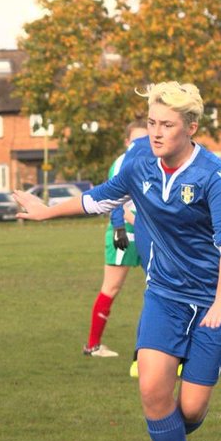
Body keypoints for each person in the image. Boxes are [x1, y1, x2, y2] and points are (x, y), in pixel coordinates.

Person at [13, 81, 221, 441]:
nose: (156, 133)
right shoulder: (140, 160)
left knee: (190, 409)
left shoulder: (214, 175)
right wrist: (48, 211)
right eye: (152, 122)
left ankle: (174, 439)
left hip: (215, 299)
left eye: (167, 125)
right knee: (153, 388)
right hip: (165, 294)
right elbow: (100, 199)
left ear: (191, 127)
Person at [83, 121, 149, 359]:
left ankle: (149, 349)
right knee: (111, 287)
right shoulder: (121, 162)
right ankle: (92, 346)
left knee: (158, 289)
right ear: (126, 142)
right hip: (125, 233)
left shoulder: (156, 159)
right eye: (136, 140)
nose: (142, 144)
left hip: (149, 233)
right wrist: (119, 227)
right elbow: (114, 198)